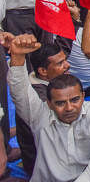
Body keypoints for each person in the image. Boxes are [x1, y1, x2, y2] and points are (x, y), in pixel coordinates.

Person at [4, 33, 90, 181]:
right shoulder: (40, 116)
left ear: (83, 97)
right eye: (60, 103)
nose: (69, 108)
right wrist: (18, 57)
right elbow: (19, 90)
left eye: (75, 100)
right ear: (49, 103)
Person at [14, 42, 70, 176]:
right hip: (44, 164)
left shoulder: (48, 83)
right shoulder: (39, 98)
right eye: (60, 63)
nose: (67, 65)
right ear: (43, 71)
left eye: (65, 60)